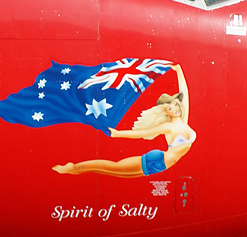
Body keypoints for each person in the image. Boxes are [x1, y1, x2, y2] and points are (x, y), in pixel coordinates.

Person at [53, 64, 195, 177]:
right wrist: (118, 134)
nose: (175, 108)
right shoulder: (168, 126)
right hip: (156, 161)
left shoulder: (183, 121)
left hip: (161, 165)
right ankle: (73, 167)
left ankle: (75, 169)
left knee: (114, 170)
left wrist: (179, 71)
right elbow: (140, 133)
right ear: (166, 112)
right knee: (114, 167)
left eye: (176, 105)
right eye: (171, 108)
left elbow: (184, 94)